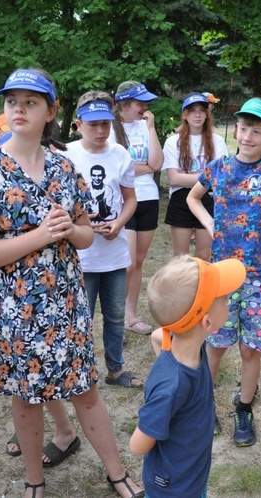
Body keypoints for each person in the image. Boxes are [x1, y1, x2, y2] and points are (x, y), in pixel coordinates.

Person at [0, 68, 143, 498]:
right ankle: (34, 481)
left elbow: (83, 235)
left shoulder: (65, 167)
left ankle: (116, 474)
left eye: (31, 101)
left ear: (51, 112)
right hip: (14, 311)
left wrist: (67, 229)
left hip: (66, 301)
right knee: (26, 400)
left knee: (86, 392)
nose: (19, 109)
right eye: (12, 101)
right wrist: (38, 237)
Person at [186, 97, 261, 447]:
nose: (248, 136)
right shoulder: (218, 167)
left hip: (260, 274)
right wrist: (210, 224)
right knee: (215, 345)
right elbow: (193, 198)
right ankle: (203, 406)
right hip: (221, 275)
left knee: (250, 349)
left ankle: (244, 406)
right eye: (243, 128)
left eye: (257, 130)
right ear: (236, 129)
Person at [131, 256, 246, 498]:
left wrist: (165, 362)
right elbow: (137, 445)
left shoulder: (185, 345)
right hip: (174, 488)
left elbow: (156, 336)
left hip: (191, 475)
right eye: (225, 299)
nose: (230, 300)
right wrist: (165, 379)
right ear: (207, 322)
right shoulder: (172, 387)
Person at [62, 90, 141, 388]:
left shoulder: (120, 154)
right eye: (93, 124)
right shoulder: (65, 155)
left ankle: (115, 369)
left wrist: (119, 223)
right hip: (80, 255)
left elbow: (130, 199)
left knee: (115, 315)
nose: (100, 131)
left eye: (105, 125)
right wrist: (75, 224)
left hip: (114, 252)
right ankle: (80, 371)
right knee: (80, 317)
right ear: (79, 124)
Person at [110, 80, 164, 335]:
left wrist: (151, 128)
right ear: (125, 105)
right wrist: (145, 169)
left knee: (139, 261)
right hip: (123, 201)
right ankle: (117, 316)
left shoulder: (145, 126)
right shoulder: (110, 128)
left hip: (149, 198)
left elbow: (157, 163)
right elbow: (116, 169)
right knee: (128, 263)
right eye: (140, 103)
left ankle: (130, 317)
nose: (145, 107)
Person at [162, 93, 228, 261]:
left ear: (207, 114)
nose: (197, 115)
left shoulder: (217, 141)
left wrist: (188, 176)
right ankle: (181, 287)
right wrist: (206, 176)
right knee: (180, 257)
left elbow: (220, 176)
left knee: (204, 256)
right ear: (185, 114)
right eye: (192, 111)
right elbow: (174, 179)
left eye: (201, 110)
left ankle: (204, 287)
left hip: (208, 198)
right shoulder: (173, 141)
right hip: (180, 198)